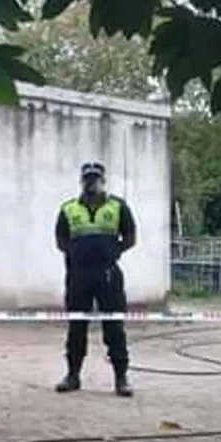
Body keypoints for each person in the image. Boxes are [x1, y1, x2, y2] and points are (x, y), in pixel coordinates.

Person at [54, 162, 137, 397]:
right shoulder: (69, 208)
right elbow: (60, 239)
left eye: (96, 178)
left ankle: (121, 378)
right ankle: (72, 376)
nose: (92, 183)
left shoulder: (118, 206)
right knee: (76, 326)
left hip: (108, 274)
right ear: (81, 181)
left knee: (114, 327)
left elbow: (130, 236)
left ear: (103, 180)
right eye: (88, 179)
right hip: (79, 275)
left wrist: (113, 252)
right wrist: (77, 253)